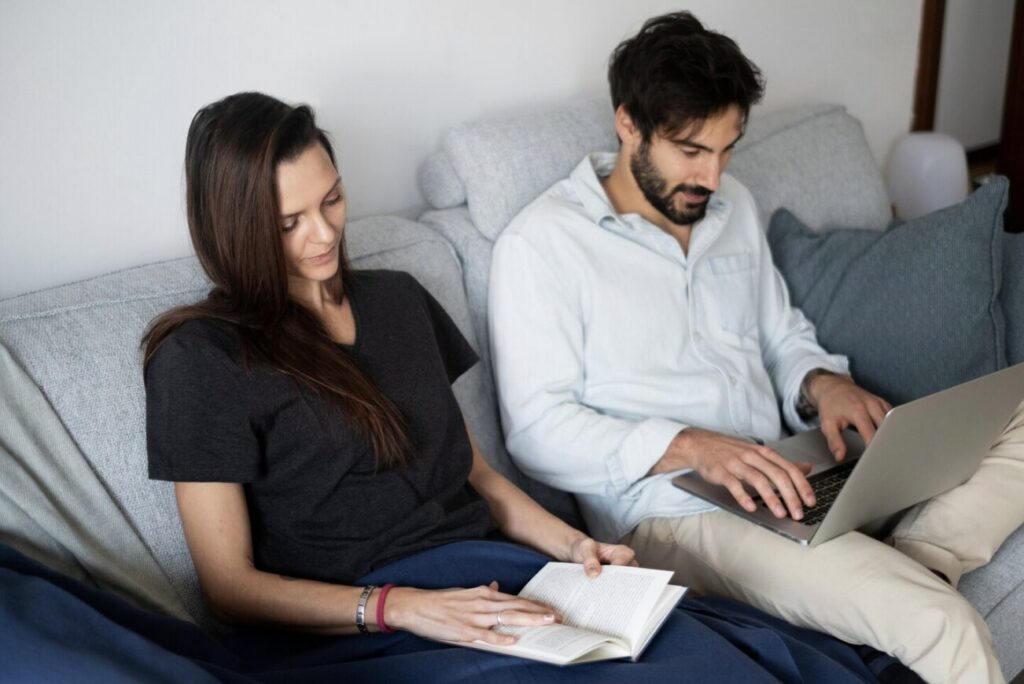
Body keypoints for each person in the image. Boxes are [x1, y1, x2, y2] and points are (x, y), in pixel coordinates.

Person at [138, 91, 905, 682]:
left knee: (745, 658)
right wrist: (401, 609)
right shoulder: (202, 359)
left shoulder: (397, 300)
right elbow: (230, 588)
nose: (325, 234)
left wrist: (577, 545)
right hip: (369, 625)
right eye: (288, 222)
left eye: (332, 199)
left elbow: (472, 472)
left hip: (494, 578)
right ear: (233, 228)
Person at [488, 11, 1024, 684]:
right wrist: (693, 446)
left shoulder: (730, 205)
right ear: (628, 123)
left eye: (727, 149)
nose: (712, 178)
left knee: (1018, 413)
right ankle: (896, 585)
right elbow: (536, 433)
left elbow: (779, 334)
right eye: (691, 150)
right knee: (944, 627)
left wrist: (823, 385)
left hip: (789, 474)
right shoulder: (542, 247)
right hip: (675, 516)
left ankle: (904, 563)